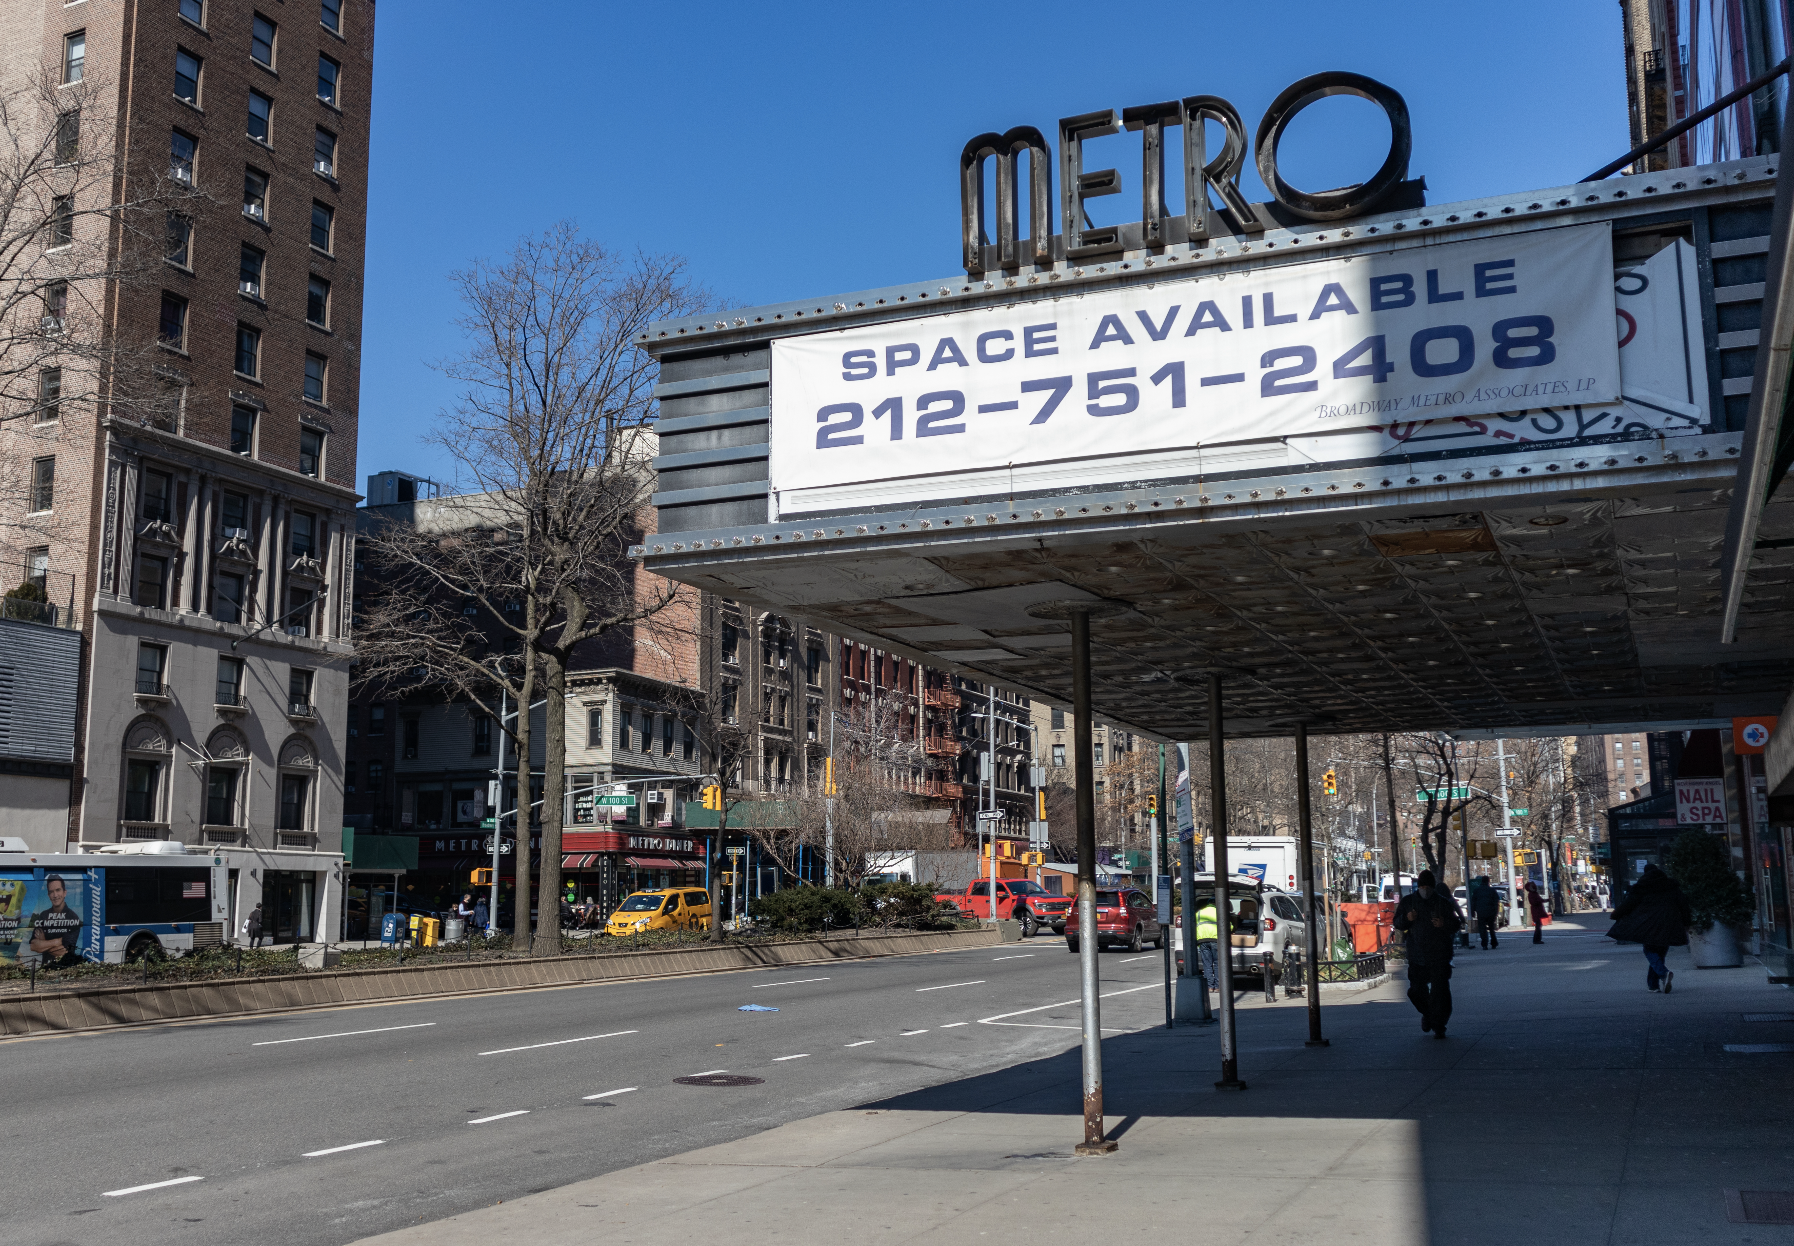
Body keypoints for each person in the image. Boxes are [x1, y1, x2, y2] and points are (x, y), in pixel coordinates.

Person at [1392, 869, 1463, 1039]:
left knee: (1440, 993)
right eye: (1422, 886)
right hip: (1417, 955)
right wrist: (1407, 918)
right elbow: (1397, 923)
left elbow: (1456, 924)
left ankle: (1439, 1025)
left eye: (1427, 886)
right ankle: (1429, 1014)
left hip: (1439, 955)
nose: (1425, 889)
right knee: (1416, 991)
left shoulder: (1442, 902)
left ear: (1432, 887)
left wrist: (1444, 923)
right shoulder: (1409, 902)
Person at [1607, 863, 1691, 992]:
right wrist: (1687, 923)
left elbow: (1629, 904)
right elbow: (1683, 905)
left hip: (1648, 924)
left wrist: (1616, 914)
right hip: (1669, 923)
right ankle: (1653, 985)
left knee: (1650, 950)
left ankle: (1663, 974)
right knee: (1660, 952)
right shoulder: (1671, 886)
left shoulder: (1642, 887)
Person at [27, 875, 83, 967]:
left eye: (58, 890)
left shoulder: (73, 918)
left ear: (64, 892)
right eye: (51, 892)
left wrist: (43, 942)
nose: (55, 895)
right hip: (45, 968)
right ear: (48, 895)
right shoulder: (44, 915)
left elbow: (64, 952)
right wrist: (57, 942)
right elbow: (33, 946)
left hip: (64, 968)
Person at [1468, 874, 1500, 950]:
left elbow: (1473, 902)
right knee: (1491, 928)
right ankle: (1493, 942)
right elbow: (1496, 902)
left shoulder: (1476, 890)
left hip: (1481, 912)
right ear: (1488, 881)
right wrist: (1496, 912)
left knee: (1482, 928)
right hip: (1491, 912)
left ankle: (1484, 944)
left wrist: (1472, 911)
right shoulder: (1492, 890)